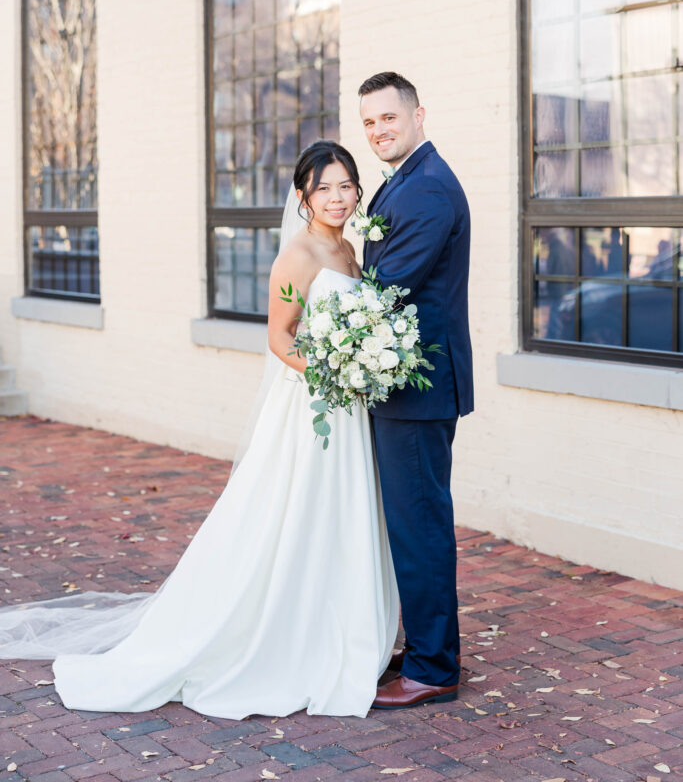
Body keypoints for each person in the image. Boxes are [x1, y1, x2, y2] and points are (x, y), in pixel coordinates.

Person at [0, 140, 399, 720]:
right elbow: (280, 337)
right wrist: (334, 371)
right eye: (324, 189)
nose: (337, 198)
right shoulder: (298, 255)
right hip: (314, 406)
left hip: (349, 407)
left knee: (344, 513)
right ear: (302, 196)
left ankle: (345, 628)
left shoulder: (347, 246)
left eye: (346, 186)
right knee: (297, 513)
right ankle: (283, 636)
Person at [359, 71, 474, 710]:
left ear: (418, 115)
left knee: (421, 525)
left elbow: (386, 289)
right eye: (369, 122)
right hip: (404, 384)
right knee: (413, 523)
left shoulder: (427, 189)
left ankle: (433, 668)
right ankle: (430, 644)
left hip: (417, 386)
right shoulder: (404, 181)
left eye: (389, 119)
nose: (378, 131)